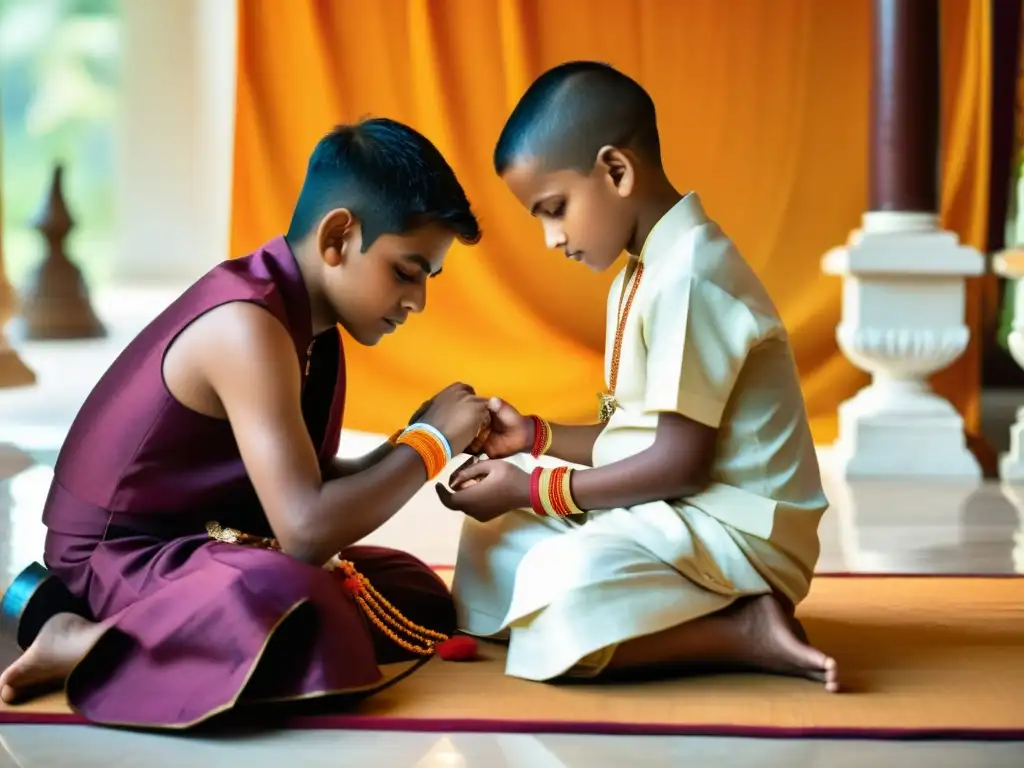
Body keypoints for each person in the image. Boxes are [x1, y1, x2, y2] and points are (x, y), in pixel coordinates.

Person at [0, 118, 491, 728]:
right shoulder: (247, 323)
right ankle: (79, 634)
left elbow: (301, 480)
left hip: (209, 542)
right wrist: (429, 444)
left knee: (413, 590)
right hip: (117, 557)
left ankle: (150, 637)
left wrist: (408, 439)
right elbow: (307, 527)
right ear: (339, 236)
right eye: (406, 271)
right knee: (303, 600)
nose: (416, 300)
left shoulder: (312, 324)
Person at [436, 61, 838, 691]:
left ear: (616, 171)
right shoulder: (641, 269)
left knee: (556, 582)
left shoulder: (690, 276)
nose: (550, 238)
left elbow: (678, 466)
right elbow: (632, 437)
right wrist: (534, 440)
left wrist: (531, 490)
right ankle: (653, 614)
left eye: (555, 209)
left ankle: (746, 629)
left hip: (734, 528)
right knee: (493, 543)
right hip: (679, 508)